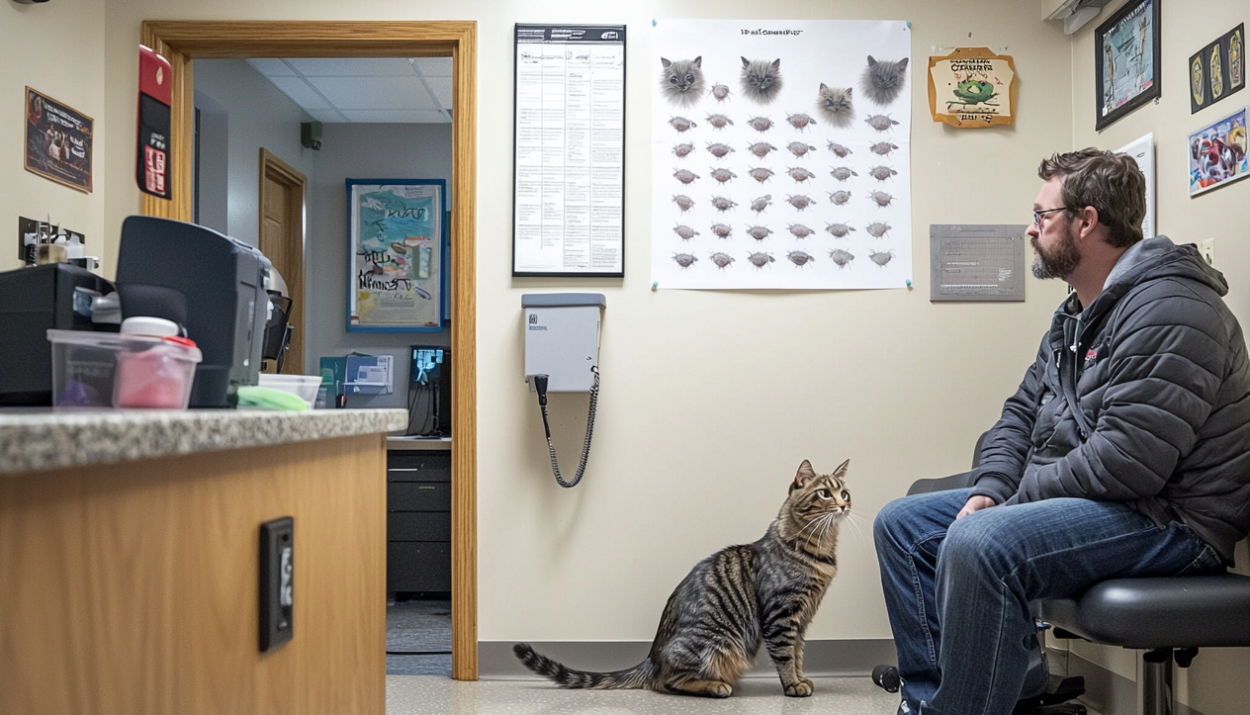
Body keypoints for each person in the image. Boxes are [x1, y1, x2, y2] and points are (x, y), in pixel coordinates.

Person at [873, 148, 1250, 715]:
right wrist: (990, 489)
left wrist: (1009, 506)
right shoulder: (1076, 315)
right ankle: (934, 702)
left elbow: (1129, 460)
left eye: (1042, 215)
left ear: (1086, 221)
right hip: (1110, 501)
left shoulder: (1174, 308)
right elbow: (1018, 416)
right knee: (903, 526)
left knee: (981, 541)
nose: (1031, 228)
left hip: (1169, 519)